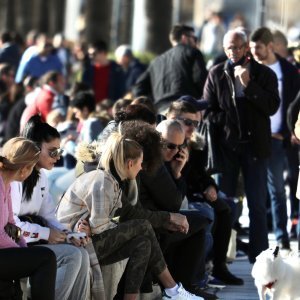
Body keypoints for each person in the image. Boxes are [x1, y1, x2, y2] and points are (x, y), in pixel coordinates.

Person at [57, 130, 203, 300]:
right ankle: (172, 290)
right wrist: (162, 220)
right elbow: (99, 227)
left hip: (86, 240)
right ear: (130, 163)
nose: (141, 168)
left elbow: (128, 213)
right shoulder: (102, 181)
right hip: (73, 242)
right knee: (142, 226)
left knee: (142, 242)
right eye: (140, 163)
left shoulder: (113, 181)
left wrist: (166, 220)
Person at [203, 28, 280, 263]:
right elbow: (208, 111)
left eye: (237, 47)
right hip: (228, 149)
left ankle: (260, 259)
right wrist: (229, 124)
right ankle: (219, 258)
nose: (233, 51)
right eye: (229, 47)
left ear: (246, 47)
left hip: (256, 149)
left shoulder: (264, 74)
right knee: (224, 203)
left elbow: (272, 107)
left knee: (257, 205)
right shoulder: (216, 74)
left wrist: (249, 86)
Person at [11, 115, 91, 300]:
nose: (58, 157)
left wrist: (69, 234)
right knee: (71, 256)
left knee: (81, 253)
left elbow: (49, 217)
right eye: (53, 152)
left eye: (59, 151)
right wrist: (46, 234)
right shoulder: (16, 179)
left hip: (31, 241)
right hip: (15, 245)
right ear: (35, 149)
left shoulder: (40, 178)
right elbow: (13, 226)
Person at [166, 100, 243, 285]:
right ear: (172, 119)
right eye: (188, 122)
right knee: (206, 214)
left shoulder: (193, 145)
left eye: (196, 123)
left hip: (191, 193)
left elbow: (201, 174)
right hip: (178, 199)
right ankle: (196, 279)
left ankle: (219, 266)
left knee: (226, 208)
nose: (193, 128)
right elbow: (170, 184)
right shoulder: (167, 143)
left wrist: (210, 187)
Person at [249, 27, 300, 250]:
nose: (255, 53)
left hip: (282, 138)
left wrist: (292, 131)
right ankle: (261, 240)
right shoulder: (250, 70)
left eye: (258, 48)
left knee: (281, 189)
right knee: (263, 191)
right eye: (252, 49)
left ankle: (282, 236)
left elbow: (294, 105)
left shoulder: (288, 70)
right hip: (257, 138)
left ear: (270, 46)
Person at [0, 137, 56, 300]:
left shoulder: (6, 184)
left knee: (41, 257)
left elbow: (11, 224)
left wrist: (23, 250)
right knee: (46, 258)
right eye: (32, 167)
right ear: (24, 169)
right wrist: (20, 254)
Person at [134, 24, 207, 113]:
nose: (195, 42)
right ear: (184, 38)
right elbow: (201, 79)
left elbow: (139, 87)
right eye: (194, 38)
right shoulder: (193, 52)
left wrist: (150, 105)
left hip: (161, 110)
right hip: (186, 108)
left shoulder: (156, 61)